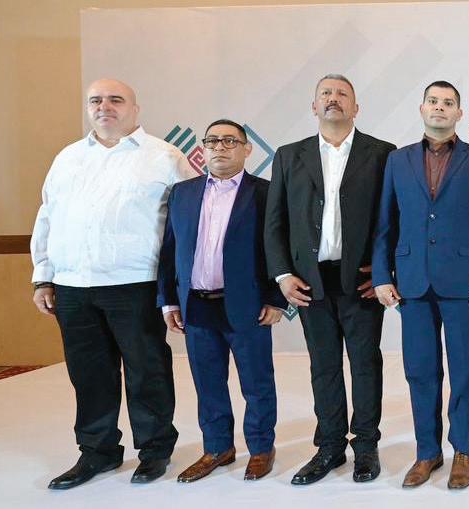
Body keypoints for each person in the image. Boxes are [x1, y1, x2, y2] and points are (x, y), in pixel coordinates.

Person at [31, 78, 191, 489]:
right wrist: (43, 276)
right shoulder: (67, 158)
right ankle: (97, 452)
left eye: (116, 99)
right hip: (72, 286)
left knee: (146, 371)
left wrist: (178, 286)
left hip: (135, 284)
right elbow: (47, 217)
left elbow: (189, 222)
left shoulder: (165, 156)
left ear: (135, 109)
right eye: (96, 100)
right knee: (89, 375)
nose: (105, 106)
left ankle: (155, 450)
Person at [372, 81, 469, 490]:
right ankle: (427, 452)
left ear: (459, 113)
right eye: (433, 101)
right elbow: (385, 225)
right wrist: (382, 275)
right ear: (422, 108)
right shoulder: (397, 161)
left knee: (464, 370)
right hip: (411, 283)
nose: (440, 108)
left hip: (464, 283)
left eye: (449, 103)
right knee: (420, 372)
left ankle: (463, 451)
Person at [264, 74, 396, 485]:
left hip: (361, 280)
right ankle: (330, 447)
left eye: (342, 94)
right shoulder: (289, 155)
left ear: (356, 107)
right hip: (309, 282)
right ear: (314, 106)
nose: (333, 99)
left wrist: (385, 269)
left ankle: (366, 446)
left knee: (365, 364)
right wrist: (282, 274)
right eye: (325, 93)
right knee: (323, 367)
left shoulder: (382, 153)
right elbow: (275, 222)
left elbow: (393, 218)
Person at [158, 119, 286, 483]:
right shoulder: (183, 193)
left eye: (230, 141)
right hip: (196, 305)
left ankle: (261, 448)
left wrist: (276, 298)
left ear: (247, 149)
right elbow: (170, 250)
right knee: (208, 383)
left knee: (256, 383)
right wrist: (169, 301)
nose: (220, 147)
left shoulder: (266, 193)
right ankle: (217, 448)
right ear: (203, 149)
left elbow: (280, 247)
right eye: (212, 141)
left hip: (247, 304)